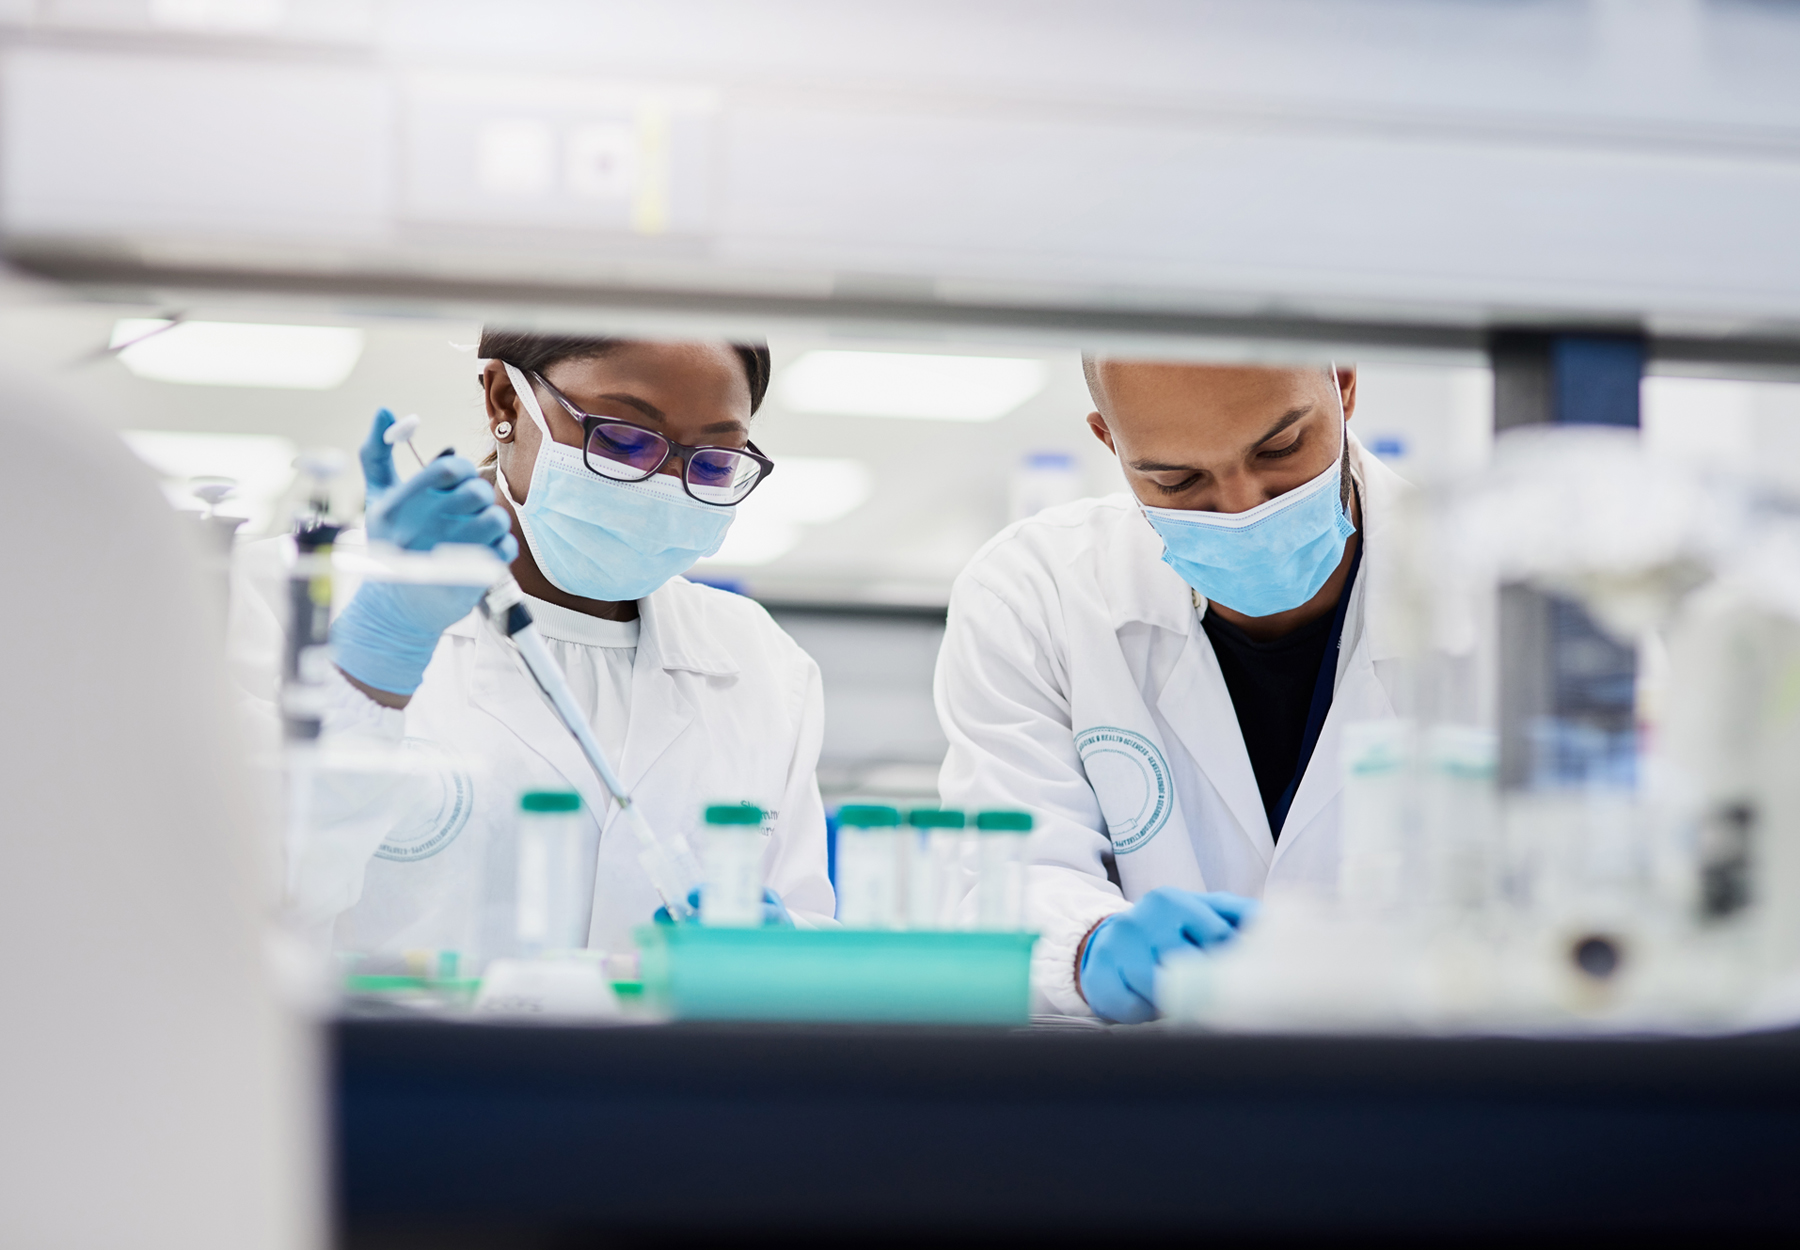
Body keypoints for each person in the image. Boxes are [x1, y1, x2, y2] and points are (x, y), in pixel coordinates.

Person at [232, 331, 834, 958]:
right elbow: (230, 905)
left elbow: (808, 923)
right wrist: (375, 658)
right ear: (504, 401)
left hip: (670, 1061)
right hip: (391, 1057)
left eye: (713, 460)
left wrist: (784, 950)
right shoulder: (287, 598)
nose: (665, 484)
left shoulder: (762, 660)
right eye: (623, 439)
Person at [934, 359, 1408, 1022]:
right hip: (1149, 1094)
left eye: (1281, 448)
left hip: (1428, 1089)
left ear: (1345, 383)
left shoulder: (1489, 590)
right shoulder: (1033, 593)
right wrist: (1087, 945)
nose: (1245, 507)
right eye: (1176, 478)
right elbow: (1009, 873)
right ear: (1109, 441)